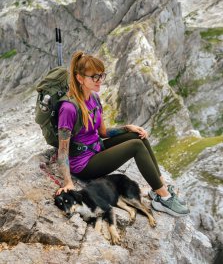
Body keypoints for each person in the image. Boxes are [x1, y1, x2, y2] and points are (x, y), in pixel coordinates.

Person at [55, 51, 189, 217]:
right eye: (94, 77)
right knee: (136, 146)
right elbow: (62, 150)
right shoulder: (68, 108)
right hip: (83, 165)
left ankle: (160, 186)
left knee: (137, 136)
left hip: (97, 148)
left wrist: (127, 128)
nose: (100, 80)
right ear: (80, 78)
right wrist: (68, 181)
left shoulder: (94, 98)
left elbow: (103, 132)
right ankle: (164, 198)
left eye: (101, 75)